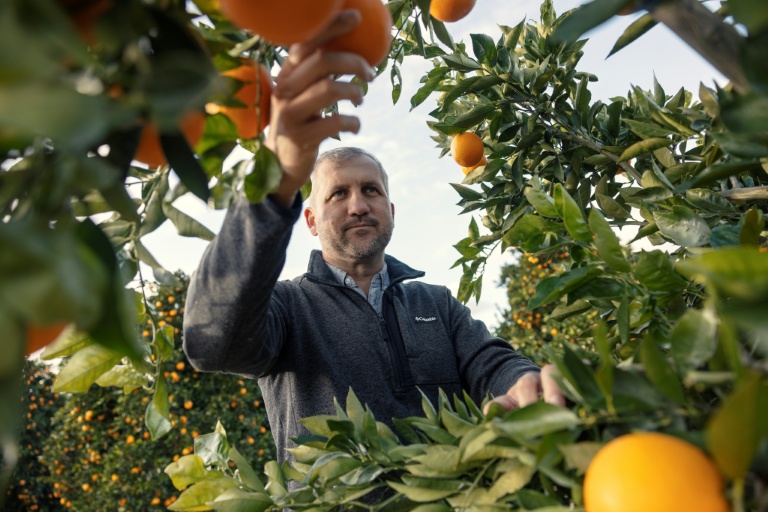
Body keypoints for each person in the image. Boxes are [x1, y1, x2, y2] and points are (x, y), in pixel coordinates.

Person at [183, 9, 564, 463]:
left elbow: (492, 363)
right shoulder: (288, 308)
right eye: (337, 194)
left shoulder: (435, 305)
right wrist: (275, 183)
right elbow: (209, 341)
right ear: (309, 220)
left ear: (391, 210)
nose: (358, 205)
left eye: (371, 191)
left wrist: (522, 380)